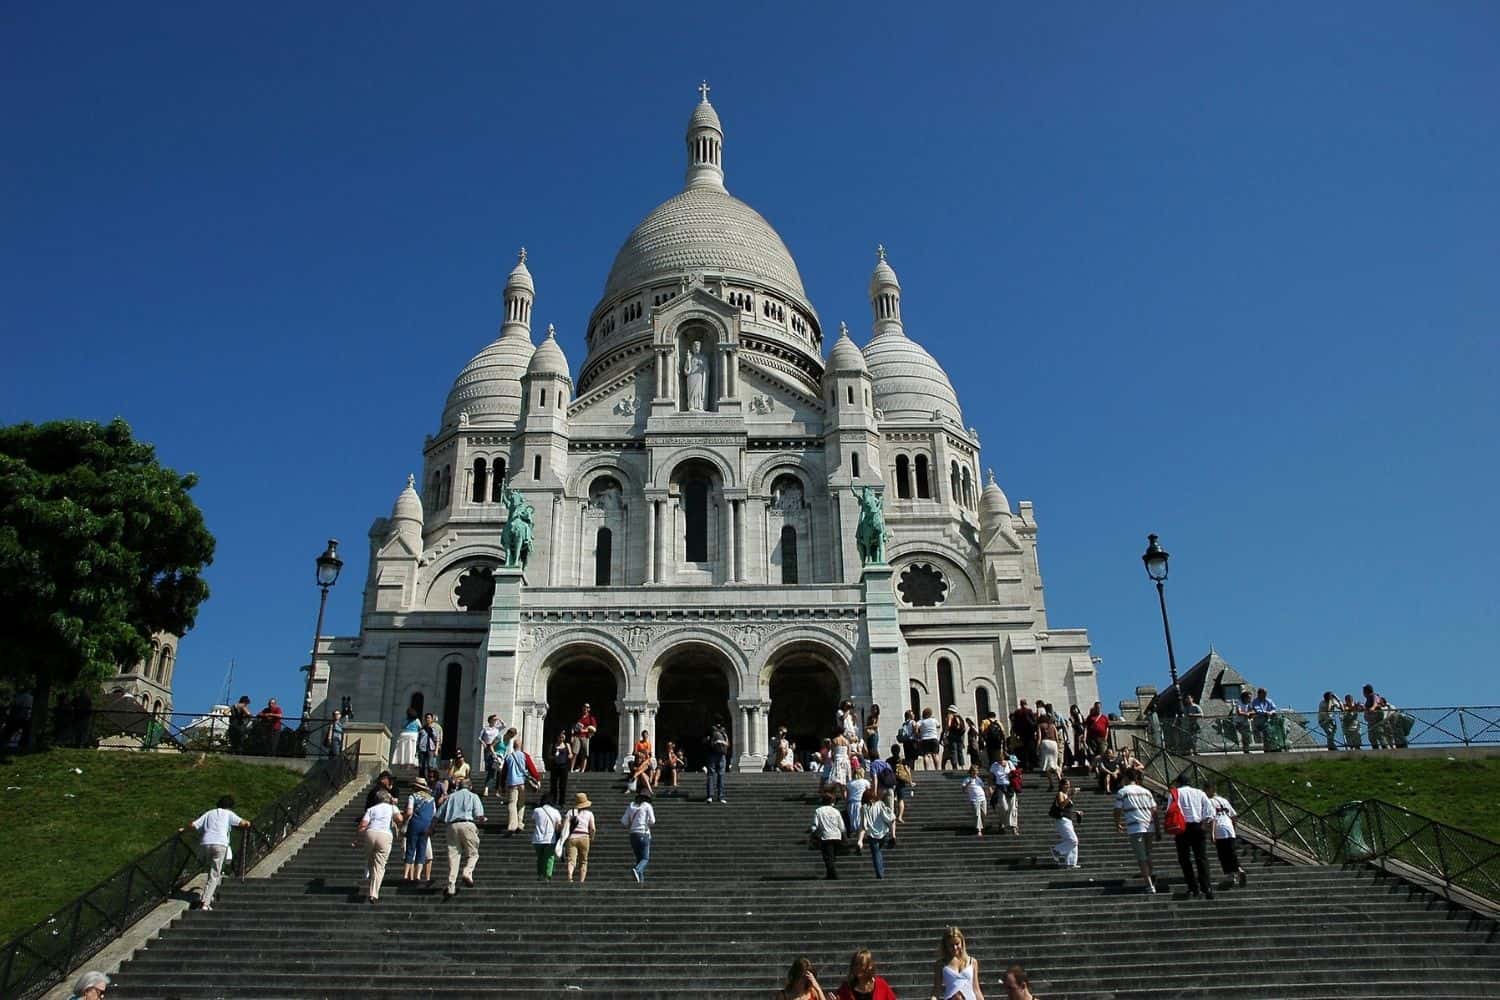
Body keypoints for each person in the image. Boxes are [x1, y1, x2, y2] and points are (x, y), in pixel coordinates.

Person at [181, 795, 250, 911]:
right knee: (215, 874)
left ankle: (207, 895)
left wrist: (183, 829)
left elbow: (193, 825)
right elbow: (242, 823)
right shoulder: (228, 814)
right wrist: (247, 823)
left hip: (205, 844)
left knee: (210, 871)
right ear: (230, 807)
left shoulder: (209, 813)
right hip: (220, 844)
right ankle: (205, 903)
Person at [436, 777, 485, 898]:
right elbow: (479, 815)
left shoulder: (451, 797)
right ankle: (467, 872)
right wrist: (482, 819)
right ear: (470, 787)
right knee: (473, 854)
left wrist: (431, 828)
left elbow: (438, 815)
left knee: (453, 857)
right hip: (467, 824)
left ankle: (451, 885)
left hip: (452, 826)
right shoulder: (473, 796)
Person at [1168, 773, 1215, 898]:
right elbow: (1210, 811)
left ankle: (1193, 887)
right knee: (1201, 858)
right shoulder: (1200, 793)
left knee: (1184, 858)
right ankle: (1207, 887)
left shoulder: (1175, 793)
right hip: (1197, 826)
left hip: (1182, 827)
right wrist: (1204, 822)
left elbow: (1169, 810)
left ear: (1178, 782)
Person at [1113, 768, 1159, 893]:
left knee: (1141, 857)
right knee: (1147, 854)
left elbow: (1117, 810)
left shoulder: (1123, 792)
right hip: (1149, 826)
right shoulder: (1146, 792)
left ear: (1126, 778)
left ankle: (1149, 885)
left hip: (1135, 827)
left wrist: (1117, 823)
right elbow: (1154, 811)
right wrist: (1158, 829)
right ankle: (1151, 876)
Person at [356, 788, 402, 904]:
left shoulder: (371, 809)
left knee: (370, 861)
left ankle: (369, 878)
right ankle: (373, 894)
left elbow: (363, 824)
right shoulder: (392, 808)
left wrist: (358, 839)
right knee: (380, 865)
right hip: (385, 835)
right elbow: (399, 819)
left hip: (370, 833)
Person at [1205, 781, 1248, 886]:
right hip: (1229, 828)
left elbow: (1212, 818)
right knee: (1231, 852)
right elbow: (1234, 816)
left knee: (1223, 855)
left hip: (1219, 829)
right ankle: (1237, 872)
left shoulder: (1209, 802)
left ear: (1209, 790)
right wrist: (1233, 828)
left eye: (1205, 790)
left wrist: (1212, 834)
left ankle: (1233, 874)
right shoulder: (1224, 800)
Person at [930, 926, 983, 1000]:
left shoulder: (972, 962)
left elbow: (976, 990)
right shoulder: (940, 964)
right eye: (951, 945)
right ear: (946, 945)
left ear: (962, 943)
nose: (955, 948)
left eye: (957, 944)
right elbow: (936, 990)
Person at [402, 776, 436, 885]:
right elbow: (434, 813)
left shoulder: (413, 796)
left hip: (415, 824)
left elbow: (409, 812)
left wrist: (404, 820)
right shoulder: (431, 799)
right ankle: (418, 875)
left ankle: (406, 874)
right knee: (422, 850)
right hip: (426, 825)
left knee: (411, 848)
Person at [862, 786, 896, 879]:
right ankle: (880, 871)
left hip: (871, 834)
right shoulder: (880, 804)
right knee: (878, 852)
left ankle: (879, 873)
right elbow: (888, 818)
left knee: (876, 853)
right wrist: (893, 834)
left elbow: (863, 824)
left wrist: (861, 838)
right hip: (883, 832)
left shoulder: (864, 808)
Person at [810, 791, 846, 880]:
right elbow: (841, 826)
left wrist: (812, 833)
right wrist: (843, 834)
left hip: (826, 836)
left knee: (827, 856)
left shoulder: (818, 811)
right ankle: (830, 874)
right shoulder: (836, 811)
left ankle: (833, 874)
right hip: (837, 836)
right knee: (832, 856)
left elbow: (815, 825)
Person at [622, 789, 655, 882]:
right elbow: (652, 821)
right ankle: (637, 870)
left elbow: (624, 821)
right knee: (645, 858)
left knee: (639, 859)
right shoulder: (647, 806)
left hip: (633, 834)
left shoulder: (631, 805)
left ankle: (640, 881)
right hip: (643, 833)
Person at [562, 791, 596, 883]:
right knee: (584, 861)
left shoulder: (570, 812)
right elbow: (592, 828)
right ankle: (581, 880)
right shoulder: (589, 814)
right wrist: (592, 837)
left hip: (572, 837)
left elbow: (565, 826)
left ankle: (570, 875)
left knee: (571, 860)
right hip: (584, 837)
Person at [1049, 777, 1081, 868]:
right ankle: (1056, 850)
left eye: (1069, 784)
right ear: (1061, 785)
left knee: (1070, 841)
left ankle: (1071, 863)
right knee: (1073, 840)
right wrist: (1071, 795)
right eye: (1066, 784)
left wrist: (1075, 812)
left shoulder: (1066, 795)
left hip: (1068, 820)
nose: (1068, 786)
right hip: (1062, 820)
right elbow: (1061, 806)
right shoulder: (1060, 793)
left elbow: (1066, 809)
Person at [530, 795, 562, 881]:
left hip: (537, 838)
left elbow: (534, 820)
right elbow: (559, 826)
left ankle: (540, 874)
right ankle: (547, 875)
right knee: (549, 857)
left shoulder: (537, 810)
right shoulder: (555, 811)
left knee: (540, 857)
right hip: (550, 838)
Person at [502, 737, 531, 834]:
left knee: (512, 803)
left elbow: (504, 772)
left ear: (513, 746)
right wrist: (537, 778)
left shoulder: (508, 757)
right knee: (521, 803)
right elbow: (531, 768)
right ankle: (520, 823)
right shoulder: (524, 756)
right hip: (522, 782)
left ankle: (512, 824)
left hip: (512, 783)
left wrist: (502, 784)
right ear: (521, 746)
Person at [989, 753, 1020, 836]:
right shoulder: (994, 765)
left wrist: (1011, 774)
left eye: (1001, 759)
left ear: (1003, 757)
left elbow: (1015, 774)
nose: (1000, 761)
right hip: (1000, 787)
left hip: (1010, 787)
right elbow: (991, 777)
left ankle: (1014, 827)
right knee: (1003, 807)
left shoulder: (1009, 763)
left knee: (1012, 807)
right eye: (998, 759)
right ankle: (1002, 822)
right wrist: (990, 787)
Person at [889, 743, 915, 824]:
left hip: (892, 781)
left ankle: (892, 814)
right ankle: (900, 816)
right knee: (901, 800)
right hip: (901, 782)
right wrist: (910, 781)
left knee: (892, 798)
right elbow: (907, 771)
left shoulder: (888, 760)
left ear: (891, 751)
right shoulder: (902, 760)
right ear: (899, 751)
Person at [705, 719, 730, 802]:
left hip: (713, 754)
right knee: (720, 775)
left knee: (712, 774)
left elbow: (706, 741)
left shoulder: (712, 730)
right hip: (721, 754)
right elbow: (728, 744)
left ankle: (711, 796)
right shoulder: (723, 732)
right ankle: (720, 796)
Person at [961, 762, 988, 837]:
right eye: (974, 772)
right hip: (974, 799)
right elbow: (963, 789)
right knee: (977, 814)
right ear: (971, 772)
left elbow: (983, 787)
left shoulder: (979, 779)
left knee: (984, 813)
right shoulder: (967, 779)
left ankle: (982, 826)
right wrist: (968, 784)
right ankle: (979, 829)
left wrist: (987, 792)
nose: (975, 773)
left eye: (976, 772)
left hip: (982, 798)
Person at [480, 714, 503, 796]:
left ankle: (490, 788)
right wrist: (483, 743)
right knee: (491, 769)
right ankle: (493, 789)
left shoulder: (497, 729)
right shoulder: (485, 728)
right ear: (490, 720)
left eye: (495, 720)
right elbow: (479, 737)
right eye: (493, 720)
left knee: (495, 770)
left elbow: (504, 725)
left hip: (496, 749)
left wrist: (499, 719)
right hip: (488, 748)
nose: (495, 721)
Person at [1036, 712, 1061, 790]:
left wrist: (1037, 748)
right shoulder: (1053, 726)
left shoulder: (1040, 726)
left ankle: (1051, 784)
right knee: (1054, 763)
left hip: (1045, 743)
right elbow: (1057, 737)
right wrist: (1058, 746)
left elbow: (1039, 738)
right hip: (1054, 744)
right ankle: (1060, 778)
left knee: (1047, 765)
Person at [1011, 700, 1038, 769]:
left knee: (1023, 749)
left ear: (1020, 704)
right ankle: (1031, 764)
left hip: (1021, 733)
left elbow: (1015, 723)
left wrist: (1016, 732)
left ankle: (1024, 763)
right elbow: (1034, 721)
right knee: (1031, 748)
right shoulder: (1029, 711)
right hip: (1030, 733)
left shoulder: (1017, 712)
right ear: (1026, 704)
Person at [846, 767, 870, 845]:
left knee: (854, 821)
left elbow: (847, 795)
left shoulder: (850, 783)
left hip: (851, 803)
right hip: (861, 802)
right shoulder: (865, 782)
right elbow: (869, 792)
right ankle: (860, 839)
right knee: (862, 820)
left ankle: (858, 837)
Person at [548, 730, 573, 805]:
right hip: (555, 767)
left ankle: (562, 802)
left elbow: (571, 754)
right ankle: (553, 800)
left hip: (563, 767)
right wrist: (553, 757)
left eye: (563, 737)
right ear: (557, 737)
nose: (561, 738)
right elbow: (549, 756)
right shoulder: (553, 745)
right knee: (554, 785)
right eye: (560, 737)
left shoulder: (567, 745)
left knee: (563, 785)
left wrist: (570, 756)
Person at [572, 703, 598, 772]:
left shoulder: (591, 718)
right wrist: (573, 735)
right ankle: (571, 769)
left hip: (585, 737)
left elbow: (594, 729)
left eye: (587, 707)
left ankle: (582, 769)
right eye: (584, 707)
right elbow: (574, 726)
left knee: (584, 754)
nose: (585, 708)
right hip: (577, 736)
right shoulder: (579, 717)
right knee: (574, 753)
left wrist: (585, 730)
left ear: (589, 709)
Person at [916, 707, 942, 771]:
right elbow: (939, 725)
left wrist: (918, 734)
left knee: (926, 755)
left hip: (924, 739)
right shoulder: (934, 720)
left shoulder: (921, 721)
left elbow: (916, 726)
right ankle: (937, 769)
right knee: (935, 754)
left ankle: (927, 769)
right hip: (934, 738)